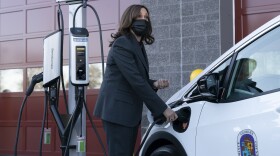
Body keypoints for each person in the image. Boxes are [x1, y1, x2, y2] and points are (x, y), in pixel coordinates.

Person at [93, 4, 178, 156]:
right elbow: (136, 81)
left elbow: (135, 78)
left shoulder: (137, 45)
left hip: (126, 114)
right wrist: (163, 109)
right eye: (139, 17)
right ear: (130, 19)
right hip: (118, 113)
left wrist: (154, 83)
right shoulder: (122, 44)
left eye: (146, 17)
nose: (143, 20)